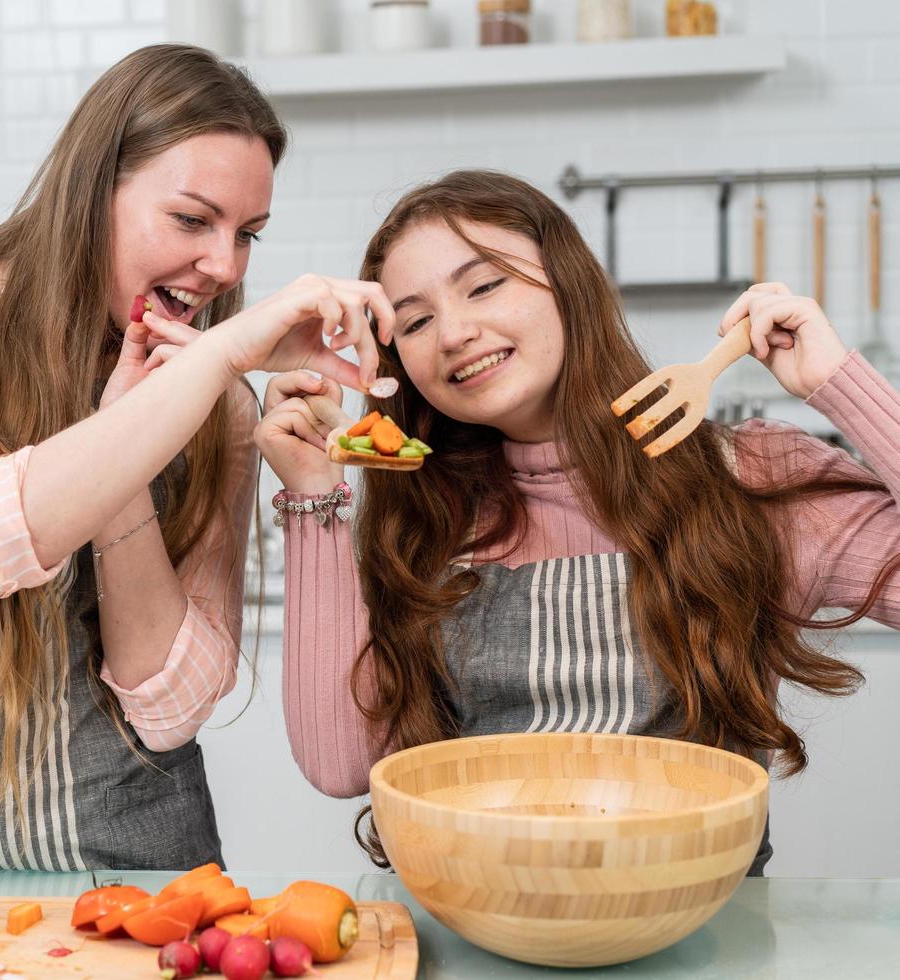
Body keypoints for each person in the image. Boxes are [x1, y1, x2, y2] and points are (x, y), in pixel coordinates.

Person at [0, 43, 393, 871]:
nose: (223, 267)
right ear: (91, 192)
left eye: (247, 234)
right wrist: (219, 358)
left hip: (130, 876)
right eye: (192, 220)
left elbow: (171, 707)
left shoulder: (216, 407)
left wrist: (134, 456)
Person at [255, 169, 900, 875]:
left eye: (484, 285)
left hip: (695, 935)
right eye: (414, 321)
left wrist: (836, 381)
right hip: (482, 924)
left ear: (569, 283)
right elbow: (340, 764)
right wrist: (313, 497)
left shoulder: (747, 477)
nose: (455, 333)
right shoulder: (422, 526)